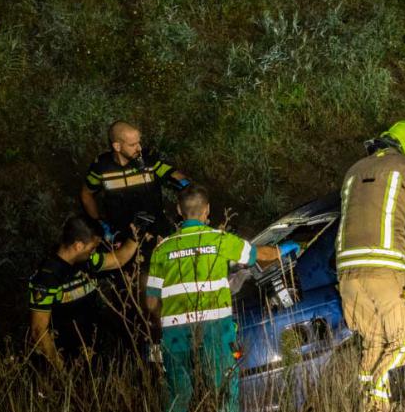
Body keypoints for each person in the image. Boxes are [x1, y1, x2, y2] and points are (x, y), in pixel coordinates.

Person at [145, 185, 299, 412]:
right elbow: (256, 254)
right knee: (225, 391)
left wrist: (165, 324)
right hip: (214, 331)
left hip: (175, 334)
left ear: (179, 210)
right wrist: (281, 250)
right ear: (207, 210)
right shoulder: (219, 240)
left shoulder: (162, 249)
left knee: (177, 396)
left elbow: (150, 303)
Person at [335, 120, 405, 409]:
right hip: (387, 269)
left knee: (374, 343)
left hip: (347, 274)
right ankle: (372, 396)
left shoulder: (354, 170)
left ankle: (372, 406)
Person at [80, 120, 190, 350]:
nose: (138, 147)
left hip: (157, 235)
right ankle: (153, 344)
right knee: (139, 296)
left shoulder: (149, 161)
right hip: (125, 240)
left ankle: (178, 335)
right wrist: (100, 225)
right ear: (117, 146)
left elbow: (175, 176)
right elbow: (87, 194)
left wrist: (187, 190)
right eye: (132, 144)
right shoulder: (101, 168)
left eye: (139, 141)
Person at [28, 215, 139, 370]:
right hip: (63, 358)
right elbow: (38, 331)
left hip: (90, 351)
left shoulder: (87, 261)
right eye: (92, 247)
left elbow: (119, 259)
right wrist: (60, 369)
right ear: (78, 246)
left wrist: (137, 230)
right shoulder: (47, 277)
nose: (94, 251)